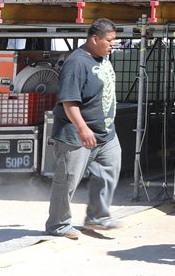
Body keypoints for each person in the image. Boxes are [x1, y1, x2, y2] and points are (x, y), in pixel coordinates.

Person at [46, 18, 121, 240]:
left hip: (105, 133)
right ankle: (58, 224)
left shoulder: (103, 58)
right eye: (109, 40)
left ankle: (97, 217)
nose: (113, 44)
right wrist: (83, 129)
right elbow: (69, 101)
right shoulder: (76, 63)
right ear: (94, 39)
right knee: (67, 180)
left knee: (108, 170)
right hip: (76, 133)